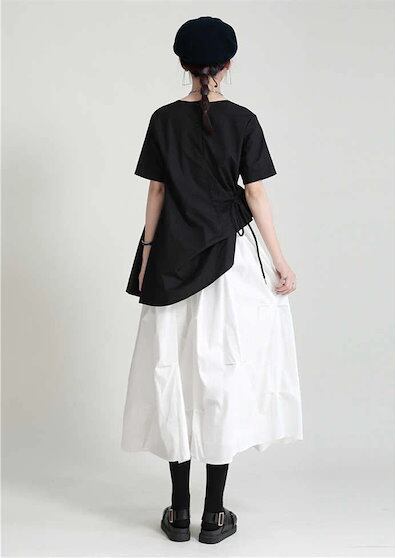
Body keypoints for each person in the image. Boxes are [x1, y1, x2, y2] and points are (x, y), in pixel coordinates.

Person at [121, 16, 303, 544]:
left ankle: (179, 512)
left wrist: (146, 255)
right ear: (228, 64)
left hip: (172, 257)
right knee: (223, 374)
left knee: (172, 372)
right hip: (231, 260)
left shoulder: (162, 119)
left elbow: (157, 193)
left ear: (182, 63)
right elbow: (256, 194)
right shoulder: (244, 120)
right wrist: (281, 260)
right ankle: (214, 514)